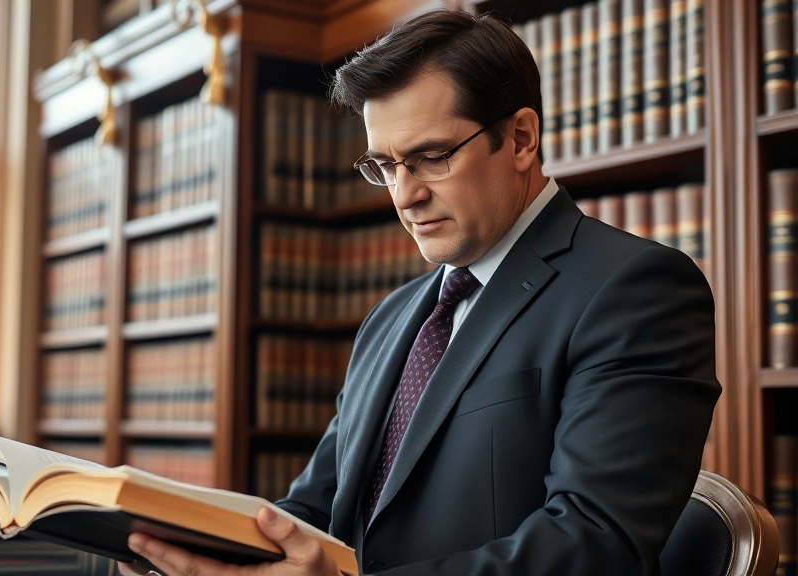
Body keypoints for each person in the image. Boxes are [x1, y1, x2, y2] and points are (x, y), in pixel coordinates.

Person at [124, 8, 720, 576]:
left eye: (431, 158)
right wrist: (200, 549)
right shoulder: (390, 319)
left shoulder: (636, 290)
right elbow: (314, 514)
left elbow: (596, 546)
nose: (404, 195)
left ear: (520, 139)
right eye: (384, 165)